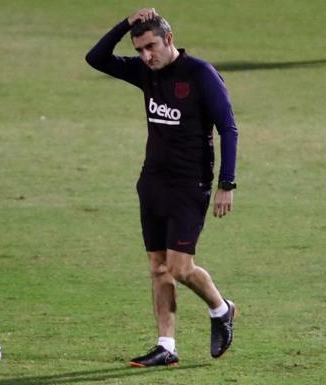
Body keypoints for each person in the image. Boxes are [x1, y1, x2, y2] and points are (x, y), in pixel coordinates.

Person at [85, 8, 239, 367]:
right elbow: (96, 58)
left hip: (190, 184)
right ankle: (166, 347)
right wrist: (126, 23)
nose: (145, 56)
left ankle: (221, 309)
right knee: (158, 267)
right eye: (139, 49)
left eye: (151, 46)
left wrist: (226, 183)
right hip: (152, 181)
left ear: (169, 39)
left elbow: (229, 128)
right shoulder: (144, 72)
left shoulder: (200, 74)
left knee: (181, 268)